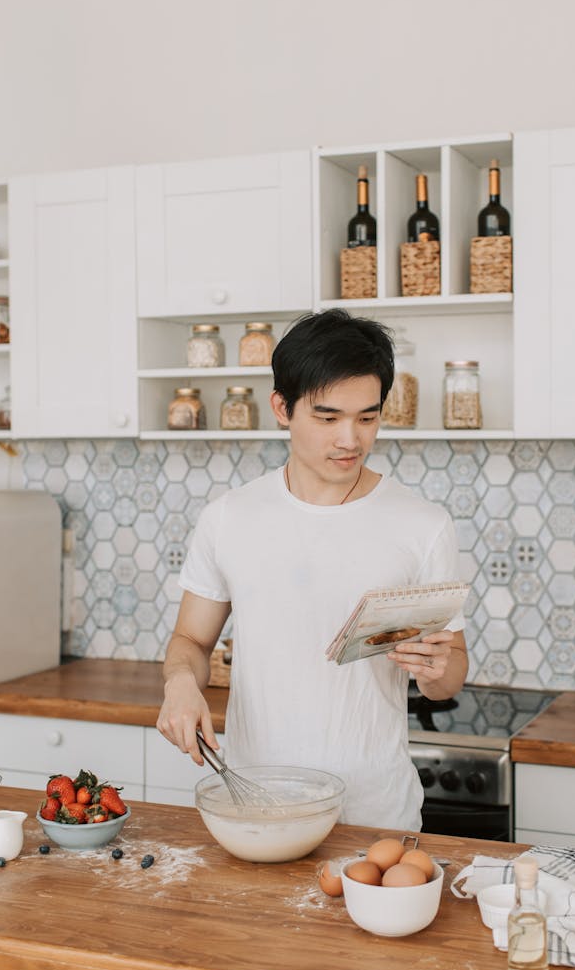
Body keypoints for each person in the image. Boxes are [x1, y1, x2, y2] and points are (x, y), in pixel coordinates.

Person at [156, 309, 469, 829]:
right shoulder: (229, 518)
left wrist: (436, 673)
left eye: (367, 418)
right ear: (282, 407)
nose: (350, 439)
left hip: (376, 813)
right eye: (328, 418)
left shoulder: (424, 526)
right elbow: (189, 640)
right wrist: (180, 683)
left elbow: (451, 673)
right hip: (258, 803)